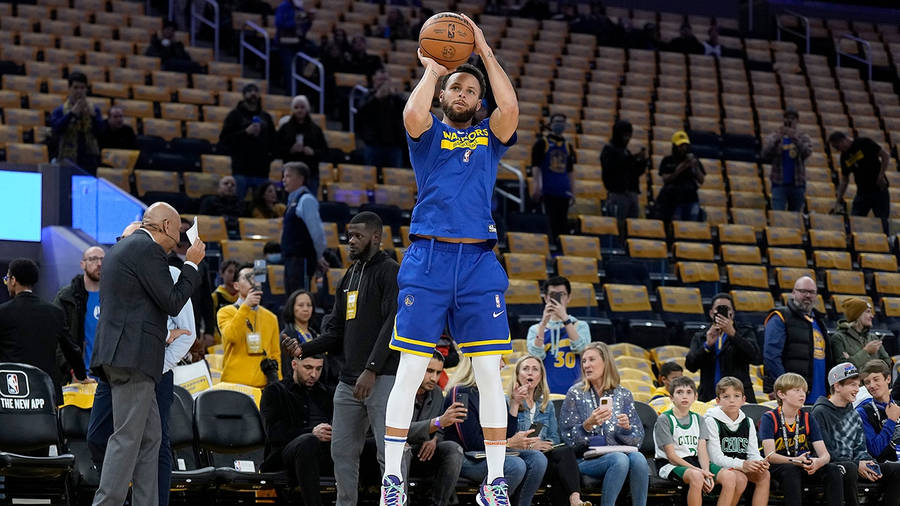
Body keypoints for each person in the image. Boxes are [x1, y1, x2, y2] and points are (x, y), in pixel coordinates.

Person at [379, 13, 520, 506]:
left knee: (488, 373)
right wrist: (434, 72)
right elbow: (411, 116)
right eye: (455, 89)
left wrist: (481, 48)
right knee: (410, 371)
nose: (462, 94)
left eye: (469, 90)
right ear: (443, 96)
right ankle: (392, 479)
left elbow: (511, 106)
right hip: (429, 257)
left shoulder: (489, 137)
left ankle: (495, 483)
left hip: (479, 263)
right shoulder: (429, 133)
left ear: (477, 102)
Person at [89, 202, 204, 506]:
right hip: (134, 359)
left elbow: (132, 307)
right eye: (178, 232)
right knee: (126, 438)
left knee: (151, 439)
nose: (179, 241)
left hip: (124, 356)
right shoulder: (148, 250)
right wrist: (191, 264)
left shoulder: (123, 248)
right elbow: (172, 301)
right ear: (166, 226)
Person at [282, 211, 400, 506]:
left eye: (358, 235)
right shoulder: (349, 275)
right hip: (348, 382)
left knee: (390, 453)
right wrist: (304, 349)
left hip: (381, 377)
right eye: (349, 235)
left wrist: (371, 369)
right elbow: (335, 330)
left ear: (376, 237)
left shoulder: (390, 271)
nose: (351, 241)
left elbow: (392, 324)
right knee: (342, 451)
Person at [443, 356, 548, 506]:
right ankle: (489, 498)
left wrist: (514, 404)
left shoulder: (494, 393)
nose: (503, 364)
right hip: (467, 457)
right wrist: (508, 443)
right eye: (498, 359)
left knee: (538, 459)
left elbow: (507, 434)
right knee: (515, 465)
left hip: (492, 453)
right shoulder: (461, 392)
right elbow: (470, 442)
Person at [559, 342, 649, 506]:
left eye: (591, 359)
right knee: (619, 460)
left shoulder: (623, 394)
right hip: (585, 460)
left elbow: (638, 440)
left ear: (606, 362)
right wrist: (587, 425)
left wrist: (626, 429)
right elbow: (568, 441)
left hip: (619, 453)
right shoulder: (575, 393)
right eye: (584, 361)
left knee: (639, 458)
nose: (586, 365)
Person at [0, 258, 88, 403]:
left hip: (11, 393)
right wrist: (82, 375)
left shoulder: (3, 312)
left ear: (13, 280)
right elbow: (71, 349)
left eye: (7, 279)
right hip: (46, 392)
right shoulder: (54, 312)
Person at [813, 362, 900, 506]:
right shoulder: (820, 412)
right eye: (852, 385)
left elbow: (861, 449)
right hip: (832, 468)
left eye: (857, 385)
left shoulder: (852, 414)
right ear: (837, 386)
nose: (857, 390)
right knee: (850, 468)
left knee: (897, 470)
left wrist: (868, 463)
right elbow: (826, 453)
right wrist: (857, 464)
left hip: (855, 466)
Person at [509, 356, 590, 506]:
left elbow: (554, 438)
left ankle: (575, 498)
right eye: (525, 369)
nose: (530, 373)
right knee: (560, 476)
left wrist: (544, 444)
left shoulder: (546, 405)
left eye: (535, 369)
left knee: (565, 452)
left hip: (543, 459)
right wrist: (531, 446)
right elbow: (506, 437)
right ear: (517, 374)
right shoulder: (508, 401)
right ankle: (575, 500)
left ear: (540, 377)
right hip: (519, 458)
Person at [758, 372, 845, 506]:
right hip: (779, 466)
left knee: (832, 469)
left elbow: (825, 455)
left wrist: (818, 462)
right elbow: (770, 455)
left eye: (804, 390)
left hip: (802, 464)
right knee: (791, 470)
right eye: (797, 390)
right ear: (781, 394)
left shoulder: (808, 417)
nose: (802, 394)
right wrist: (794, 461)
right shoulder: (769, 418)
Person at [259, 354, 334, 506]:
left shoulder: (327, 393)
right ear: (294, 364)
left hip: (325, 452)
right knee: (308, 442)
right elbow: (274, 434)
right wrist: (311, 432)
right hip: (285, 455)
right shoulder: (275, 392)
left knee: (369, 446)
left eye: (318, 369)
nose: (314, 374)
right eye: (308, 368)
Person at [653, 376, 740, 506]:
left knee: (730, 477)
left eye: (689, 392)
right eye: (679, 392)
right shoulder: (664, 419)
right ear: (671, 397)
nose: (684, 396)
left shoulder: (699, 419)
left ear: (695, 397)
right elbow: (671, 456)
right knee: (696, 476)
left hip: (695, 461)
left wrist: (706, 471)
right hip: (670, 464)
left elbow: (702, 450)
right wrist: (700, 472)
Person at [402, 352, 465, 506]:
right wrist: (436, 423)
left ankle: (439, 502)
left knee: (453, 449)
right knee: (403, 449)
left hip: (423, 451)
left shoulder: (437, 392)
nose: (434, 378)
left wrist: (435, 439)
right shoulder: (399, 389)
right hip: (393, 450)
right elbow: (399, 430)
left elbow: (441, 429)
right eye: (429, 371)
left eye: (438, 373)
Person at [703, 377, 770, 506]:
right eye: (726, 396)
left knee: (764, 474)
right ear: (718, 400)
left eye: (736, 396)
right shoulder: (711, 421)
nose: (732, 400)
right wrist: (743, 464)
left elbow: (753, 452)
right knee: (739, 478)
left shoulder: (748, 422)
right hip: (714, 466)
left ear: (743, 400)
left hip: (739, 465)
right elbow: (715, 458)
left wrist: (759, 462)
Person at [763, 276, 831, 402]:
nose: (808, 295)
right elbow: (771, 357)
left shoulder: (819, 321)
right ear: (793, 293)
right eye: (803, 291)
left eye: (811, 292)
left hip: (820, 395)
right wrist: (786, 387)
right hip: (791, 395)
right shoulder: (780, 317)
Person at [686, 293, 760, 403]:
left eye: (726, 309)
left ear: (732, 313)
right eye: (718, 309)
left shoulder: (745, 332)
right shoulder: (701, 336)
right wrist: (707, 345)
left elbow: (755, 357)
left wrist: (733, 335)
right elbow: (690, 365)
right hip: (709, 396)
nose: (722, 312)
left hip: (738, 396)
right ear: (711, 313)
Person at [217, 264, 282, 388]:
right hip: (233, 385)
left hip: (263, 386)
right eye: (248, 278)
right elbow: (232, 336)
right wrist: (246, 306)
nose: (253, 282)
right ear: (236, 285)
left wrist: (277, 385)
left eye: (256, 278)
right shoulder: (225, 312)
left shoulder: (271, 317)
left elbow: (275, 355)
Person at [526, 276, 591, 395]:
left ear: (569, 297)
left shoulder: (580, 326)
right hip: (544, 393)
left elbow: (581, 349)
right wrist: (543, 324)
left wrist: (565, 319)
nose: (558, 298)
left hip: (576, 391)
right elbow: (535, 357)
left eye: (562, 294)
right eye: (553, 295)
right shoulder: (535, 329)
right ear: (546, 298)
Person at [53, 246, 104, 377]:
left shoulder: (114, 296)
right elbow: (57, 338)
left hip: (108, 379)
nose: (99, 264)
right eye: (93, 259)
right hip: (77, 377)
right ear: (83, 264)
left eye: (103, 259)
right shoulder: (67, 297)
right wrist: (71, 369)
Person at [279, 289, 340, 388]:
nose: (306, 309)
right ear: (292, 308)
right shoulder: (287, 335)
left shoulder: (316, 334)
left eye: (309, 305)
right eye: (301, 305)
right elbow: (286, 367)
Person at [281, 161, 326, 293]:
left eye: (288, 176)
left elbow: (317, 232)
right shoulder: (292, 200)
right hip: (291, 258)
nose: (284, 180)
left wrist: (318, 256)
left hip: (302, 259)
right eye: (284, 176)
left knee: (300, 297)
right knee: (291, 299)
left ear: (301, 179)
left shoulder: (306, 200)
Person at [530, 113, 576, 241]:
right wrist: (537, 186)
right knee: (550, 225)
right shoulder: (542, 143)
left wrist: (572, 191)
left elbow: (570, 171)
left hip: (563, 191)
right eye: (557, 121)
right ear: (551, 124)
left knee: (562, 225)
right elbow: (536, 167)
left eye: (562, 121)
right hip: (548, 190)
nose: (560, 124)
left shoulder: (568, 146)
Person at [219, 83, 276, 187]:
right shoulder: (234, 115)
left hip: (261, 171)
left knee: (261, 202)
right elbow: (225, 140)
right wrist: (245, 133)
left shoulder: (266, 117)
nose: (253, 93)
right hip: (241, 170)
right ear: (244, 95)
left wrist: (268, 157)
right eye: (249, 91)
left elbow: (274, 141)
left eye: (256, 91)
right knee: (238, 202)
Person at [830, 131, 891, 221]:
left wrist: (881, 175)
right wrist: (838, 200)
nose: (838, 150)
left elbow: (885, 156)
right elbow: (844, 180)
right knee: (855, 221)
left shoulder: (863, 143)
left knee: (882, 222)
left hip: (879, 190)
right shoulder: (844, 157)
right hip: (862, 193)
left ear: (842, 140)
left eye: (837, 147)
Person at [49, 71, 103, 174]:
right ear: (69, 89)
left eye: (82, 88)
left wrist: (93, 117)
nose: (79, 91)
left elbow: (101, 133)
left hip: (89, 158)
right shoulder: (60, 110)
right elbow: (56, 130)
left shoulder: (94, 110)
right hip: (67, 158)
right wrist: (71, 114)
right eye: (76, 87)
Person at [761, 107, 812, 212]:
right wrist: (778, 138)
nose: (789, 120)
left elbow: (807, 153)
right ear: (783, 119)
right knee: (778, 215)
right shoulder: (774, 135)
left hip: (797, 183)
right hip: (779, 182)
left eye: (793, 118)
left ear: (797, 121)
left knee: (796, 216)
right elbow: (765, 153)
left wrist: (794, 137)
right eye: (787, 118)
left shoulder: (803, 136)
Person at [276, 95, 328, 195]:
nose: (299, 110)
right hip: (290, 175)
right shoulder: (285, 128)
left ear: (307, 109)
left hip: (310, 174)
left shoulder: (316, 129)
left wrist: (313, 152)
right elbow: (276, 150)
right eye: (296, 107)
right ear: (292, 109)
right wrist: (290, 150)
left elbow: (325, 152)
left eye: (302, 107)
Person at [356, 68, 407, 169]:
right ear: (374, 80)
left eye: (385, 80)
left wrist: (395, 96)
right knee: (371, 177)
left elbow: (407, 111)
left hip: (394, 145)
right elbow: (361, 114)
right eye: (380, 80)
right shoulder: (367, 96)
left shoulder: (396, 98)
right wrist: (377, 98)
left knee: (394, 178)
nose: (383, 84)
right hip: (373, 144)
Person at [601, 119, 648, 221]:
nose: (627, 139)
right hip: (618, 193)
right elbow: (613, 169)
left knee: (632, 228)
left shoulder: (626, 151)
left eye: (629, 135)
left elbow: (634, 173)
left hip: (632, 193)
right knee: (617, 227)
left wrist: (642, 162)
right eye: (625, 135)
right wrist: (632, 159)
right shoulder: (609, 150)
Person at [655, 131, 705, 222]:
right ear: (674, 146)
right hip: (674, 200)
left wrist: (696, 167)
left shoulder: (694, 160)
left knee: (692, 226)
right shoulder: (667, 160)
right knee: (677, 226)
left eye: (685, 145)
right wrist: (680, 169)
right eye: (680, 145)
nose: (683, 148)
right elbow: (666, 179)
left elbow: (701, 180)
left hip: (691, 198)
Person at [858, 360, 900, 465]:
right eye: (867, 382)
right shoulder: (863, 412)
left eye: (876, 379)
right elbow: (875, 450)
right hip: (887, 466)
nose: (872, 385)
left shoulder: (898, 405)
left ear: (888, 379)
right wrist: (891, 421)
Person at [832, 297, 891, 371]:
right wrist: (866, 351)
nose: (872, 316)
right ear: (857, 315)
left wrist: (852, 360)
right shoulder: (839, 338)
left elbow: (887, 364)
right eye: (868, 312)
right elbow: (844, 369)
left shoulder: (873, 338)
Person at [210, 259, 240, 341]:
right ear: (221, 274)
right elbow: (211, 322)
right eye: (230, 271)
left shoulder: (244, 297)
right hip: (220, 340)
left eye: (236, 272)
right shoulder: (215, 296)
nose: (233, 275)